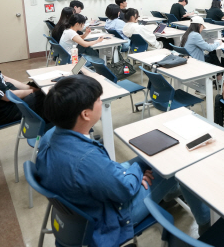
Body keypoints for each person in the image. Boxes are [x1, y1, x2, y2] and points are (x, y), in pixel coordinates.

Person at [35, 75, 211, 247]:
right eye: (98, 100)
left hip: (86, 202)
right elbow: (125, 189)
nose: (101, 102)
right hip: (115, 214)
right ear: (86, 114)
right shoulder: (86, 159)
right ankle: (206, 224)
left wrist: (132, 172)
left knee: (152, 161)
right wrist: (136, 172)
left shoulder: (50, 137)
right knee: (176, 162)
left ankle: (170, 191)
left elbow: (104, 174)